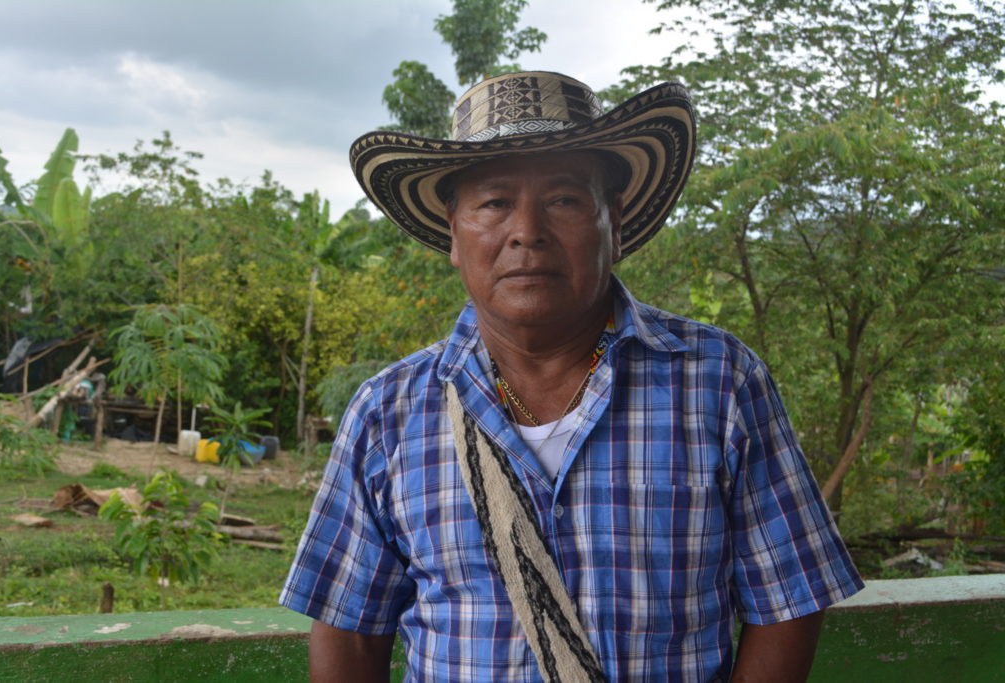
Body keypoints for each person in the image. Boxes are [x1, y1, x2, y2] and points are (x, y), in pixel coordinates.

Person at [281, 71, 863, 682]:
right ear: (454, 233)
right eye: (494, 202)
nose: (526, 232)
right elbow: (349, 636)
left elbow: (788, 603)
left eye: (564, 200)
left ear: (615, 224)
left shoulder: (719, 384)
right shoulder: (388, 411)